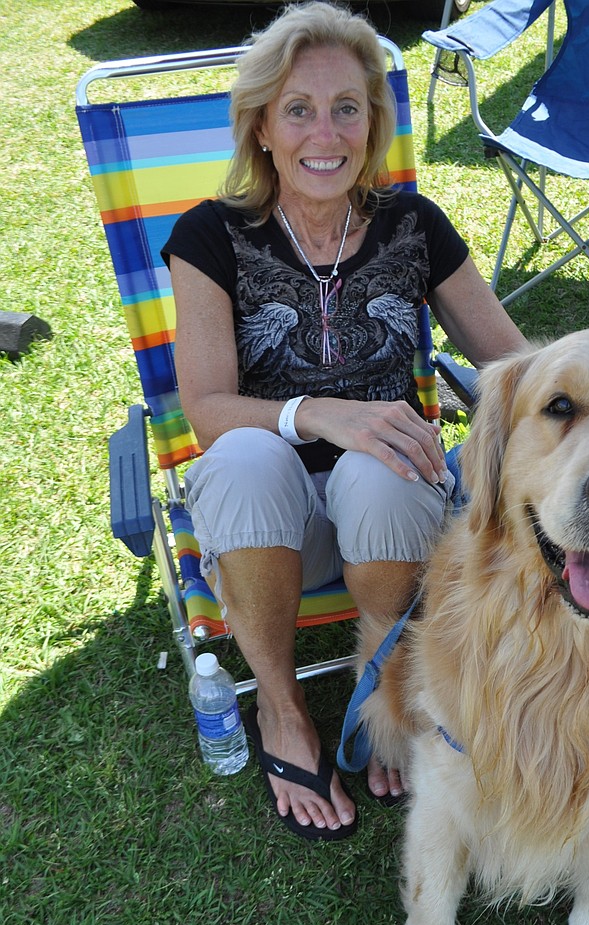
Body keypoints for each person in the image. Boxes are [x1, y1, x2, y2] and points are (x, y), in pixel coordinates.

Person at [163, 0, 529, 841]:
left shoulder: (413, 225)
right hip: (271, 518)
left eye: (346, 109)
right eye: (297, 109)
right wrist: (325, 413)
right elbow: (207, 410)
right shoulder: (210, 236)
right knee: (248, 456)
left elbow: (512, 369)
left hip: (393, 510)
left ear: (372, 124)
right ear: (260, 127)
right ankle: (284, 710)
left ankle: (389, 682)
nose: (322, 133)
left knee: (383, 460)